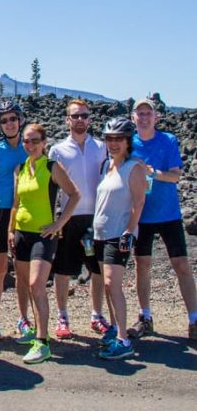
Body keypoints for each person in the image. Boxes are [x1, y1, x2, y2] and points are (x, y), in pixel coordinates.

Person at [8, 123, 80, 364]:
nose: (30, 145)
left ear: (44, 142)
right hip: (21, 233)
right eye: (26, 141)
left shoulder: (51, 166)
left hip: (43, 235)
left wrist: (59, 224)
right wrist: (10, 231)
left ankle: (43, 341)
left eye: (35, 141)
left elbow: (74, 194)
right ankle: (32, 330)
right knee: (24, 284)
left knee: (36, 284)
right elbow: (16, 204)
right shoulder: (20, 168)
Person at [129, 99, 197, 341]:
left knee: (181, 265)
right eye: (140, 114)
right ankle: (145, 317)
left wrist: (153, 173)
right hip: (142, 215)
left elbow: (176, 176)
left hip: (168, 213)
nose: (144, 117)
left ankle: (194, 319)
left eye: (148, 113)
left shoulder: (168, 141)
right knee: (142, 265)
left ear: (156, 117)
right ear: (133, 117)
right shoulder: (129, 143)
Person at [48, 99, 109, 339]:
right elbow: (52, 189)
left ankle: (97, 315)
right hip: (68, 218)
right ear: (67, 120)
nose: (80, 120)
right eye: (75, 116)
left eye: (84, 116)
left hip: (96, 218)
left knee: (97, 270)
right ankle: (62, 316)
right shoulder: (58, 150)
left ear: (90, 119)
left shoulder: (101, 147)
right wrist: (55, 220)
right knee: (63, 269)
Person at [93, 117, 146, 360]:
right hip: (102, 234)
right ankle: (116, 330)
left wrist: (129, 230)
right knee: (107, 285)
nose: (113, 143)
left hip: (119, 234)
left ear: (128, 142)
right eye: (109, 139)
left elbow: (139, 201)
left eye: (119, 139)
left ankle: (124, 340)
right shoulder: (107, 166)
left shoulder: (133, 167)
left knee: (112, 285)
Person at [0, 100, 28, 341]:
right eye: (4, 120)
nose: (9, 123)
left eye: (13, 118)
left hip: (26, 211)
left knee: (23, 268)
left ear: (20, 120)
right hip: (0, 210)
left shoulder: (30, 145)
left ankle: (24, 318)